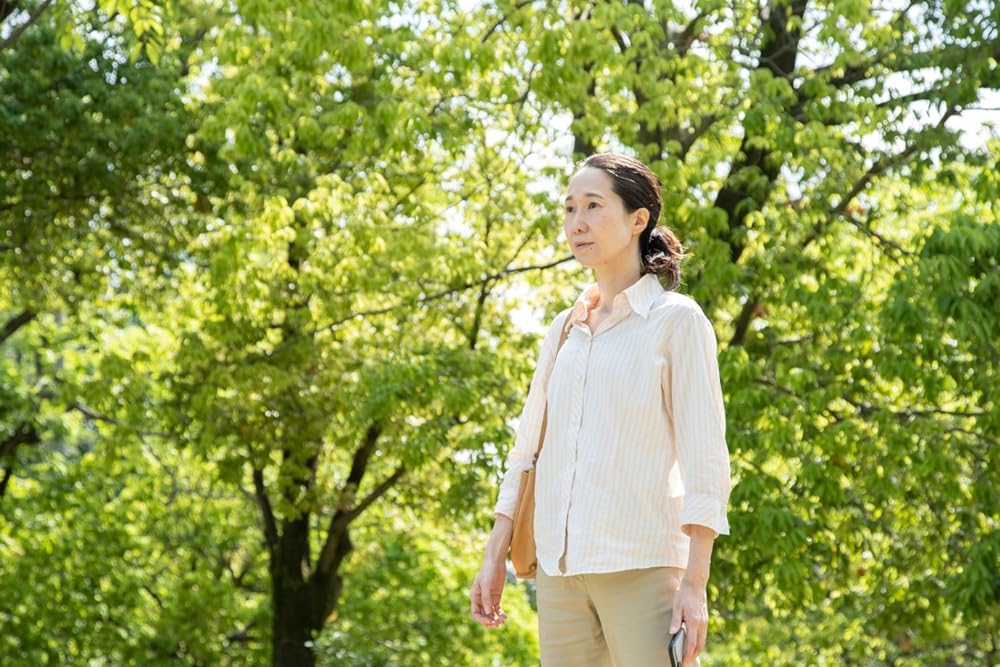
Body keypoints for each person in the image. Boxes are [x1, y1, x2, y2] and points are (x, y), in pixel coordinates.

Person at [469, 152, 732, 666]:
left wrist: (694, 584)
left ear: (639, 219)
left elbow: (707, 462)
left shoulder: (676, 321)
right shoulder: (565, 329)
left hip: (643, 568)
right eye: (569, 209)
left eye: (593, 206)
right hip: (561, 574)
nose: (577, 223)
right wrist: (494, 552)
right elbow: (527, 450)